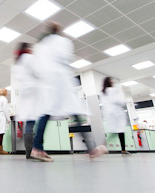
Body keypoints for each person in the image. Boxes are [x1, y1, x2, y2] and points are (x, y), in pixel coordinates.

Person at [31, 22, 106, 162]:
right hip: (60, 82)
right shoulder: (63, 41)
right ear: (59, 30)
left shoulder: (40, 46)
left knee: (46, 114)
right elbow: (66, 58)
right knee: (75, 113)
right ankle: (91, 149)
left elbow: (36, 67)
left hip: (47, 84)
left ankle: (37, 148)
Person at [11, 42, 39, 159]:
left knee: (29, 125)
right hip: (32, 94)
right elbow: (37, 72)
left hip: (25, 96)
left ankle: (29, 152)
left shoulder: (18, 63)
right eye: (30, 47)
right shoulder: (28, 58)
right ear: (26, 49)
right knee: (33, 124)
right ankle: (34, 151)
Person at [101, 77, 131, 156]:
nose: (113, 81)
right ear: (108, 82)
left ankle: (123, 150)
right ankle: (102, 146)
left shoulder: (103, 92)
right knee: (119, 130)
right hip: (116, 113)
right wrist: (125, 102)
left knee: (117, 131)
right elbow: (115, 100)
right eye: (111, 80)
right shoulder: (111, 90)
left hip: (109, 114)